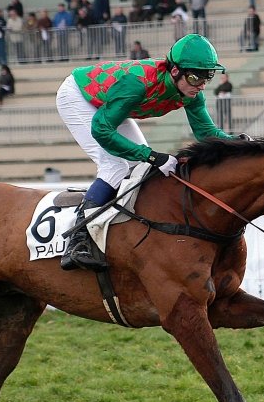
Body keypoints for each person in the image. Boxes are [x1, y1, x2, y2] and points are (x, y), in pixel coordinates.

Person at [55, 33, 233, 271]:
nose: (201, 85)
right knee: (115, 166)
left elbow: (206, 133)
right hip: (78, 96)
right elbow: (101, 130)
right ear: (175, 71)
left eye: (207, 77)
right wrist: (151, 155)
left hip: (109, 104)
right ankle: (77, 240)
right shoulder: (137, 84)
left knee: (142, 168)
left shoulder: (191, 93)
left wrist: (238, 144)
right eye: (195, 77)